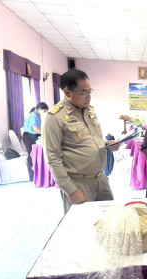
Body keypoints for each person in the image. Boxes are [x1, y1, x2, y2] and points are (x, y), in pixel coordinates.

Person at [43, 69, 119, 213]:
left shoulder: (89, 110)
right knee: (81, 228)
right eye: (84, 92)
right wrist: (71, 191)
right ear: (67, 93)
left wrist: (106, 145)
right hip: (78, 183)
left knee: (108, 222)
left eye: (90, 91)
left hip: (101, 179)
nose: (89, 97)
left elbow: (91, 139)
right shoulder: (54, 117)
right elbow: (52, 159)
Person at [23, 102, 49, 181]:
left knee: (38, 154)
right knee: (31, 155)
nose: (44, 113)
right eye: (44, 111)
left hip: (34, 135)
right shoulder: (33, 116)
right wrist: (46, 133)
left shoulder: (38, 115)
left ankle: (39, 175)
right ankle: (32, 177)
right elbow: (36, 129)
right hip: (29, 137)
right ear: (39, 109)